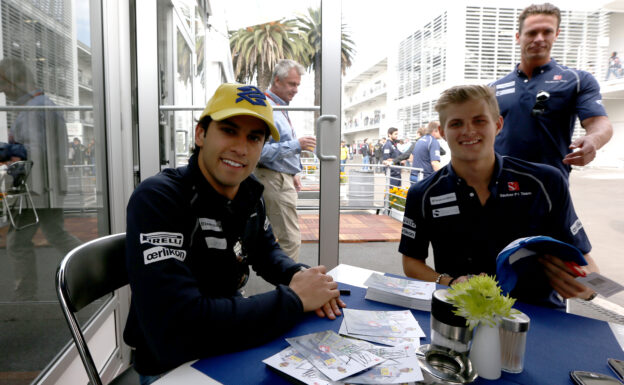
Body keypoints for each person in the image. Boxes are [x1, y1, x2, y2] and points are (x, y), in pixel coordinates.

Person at [124, 83, 345, 383]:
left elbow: (266, 251)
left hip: (231, 342)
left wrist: (301, 277)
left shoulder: (249, 193)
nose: (241, 149)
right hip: (173, 364)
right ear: (201, 134)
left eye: (254, 138)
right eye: (229, 131)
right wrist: (294, 298)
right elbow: (176, 325)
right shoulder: (159, 198)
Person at [399, 84, 598, 306]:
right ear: (443, 133)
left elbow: (585, 260)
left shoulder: (545, 181)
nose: (468, 131)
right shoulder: (422, 194)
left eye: (479, 121)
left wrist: (588, 287)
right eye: (456, 123)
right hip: (463, 315)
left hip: (539, 318)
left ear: (498, 125)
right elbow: (411, 262)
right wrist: (449, 282)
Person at [491, 3, 613, 178]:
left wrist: (593, 140)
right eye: (532, 33)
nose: (539, 38)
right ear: (518, 37)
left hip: (551, 187)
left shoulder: (577, 80)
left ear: (556, 34)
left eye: (547, 32)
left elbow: (599, 123)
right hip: (500, 186)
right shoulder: (492, 89)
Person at [0, 58, 82, 301]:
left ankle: (25, 296)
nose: (5, 92)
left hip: (37, 188)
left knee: (17, 241)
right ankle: (93, 265)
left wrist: (8, 150)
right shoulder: (42, 105)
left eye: (6, 86)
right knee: (56, 233)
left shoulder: (34, 109)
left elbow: (36, 152)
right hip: (48, 185)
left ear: (16, 82)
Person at [254, 59, 315, 262]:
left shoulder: (279, 107)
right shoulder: (267, 107)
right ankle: (290, 288)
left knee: (280, 236)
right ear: (277, 81)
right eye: (292, 84)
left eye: (297, 84)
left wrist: (293, 172)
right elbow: (258, 152)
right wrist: (297, 145)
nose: (296, 89)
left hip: (279, 177)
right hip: (274, 179)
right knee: (290, 239)